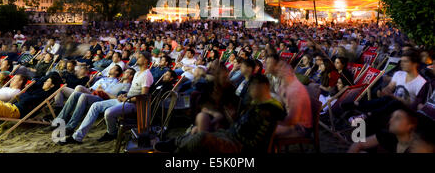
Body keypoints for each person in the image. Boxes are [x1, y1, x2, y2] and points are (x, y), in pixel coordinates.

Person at [154, 74, 285, 154]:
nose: (250, 91)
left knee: (202, 138)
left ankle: (175, 146)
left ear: (261, 88)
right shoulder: (258, 104)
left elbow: (257, 139)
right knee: (196, 132)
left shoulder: (269, 109)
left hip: (240, 145)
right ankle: (175, 145)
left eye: (252, 88)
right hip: (232, 135)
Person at [53, 65, 129, 136]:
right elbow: (92, 87)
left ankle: (70, 126)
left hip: (100, 97)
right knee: (75, 94)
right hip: (92, 92)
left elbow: (111, 95)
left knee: (81, 92)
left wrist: (102, 90)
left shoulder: (115, 82)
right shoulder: (103, 78)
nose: (110, 68)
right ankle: (59, 120)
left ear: (117, 72)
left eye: (113, 68)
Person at [95, 51, 153, 142]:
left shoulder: (146, 75)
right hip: (127, 100)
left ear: (146, 61)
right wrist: (125, 95)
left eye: (140, 57)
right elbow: (133, 90)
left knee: (108, 112)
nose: (137, 58)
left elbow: (143, 96)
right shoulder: (138, 73)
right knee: (97, 105)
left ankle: (112, 133)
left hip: (134, 105)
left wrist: (127, 99)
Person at [0, 73, 62, 137]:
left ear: (52, 85)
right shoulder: (39, 91)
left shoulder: (43, 95)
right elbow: (25, 96)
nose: (44, 82)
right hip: (11, 106)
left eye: (47, 81)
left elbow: (25, 99)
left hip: (15, 111)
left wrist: (27, 94)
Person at [266, 54, 312, 138]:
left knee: (264, 131)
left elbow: (292, 120)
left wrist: (275, 122)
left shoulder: (294, 89)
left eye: (280, 69)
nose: (276, 70)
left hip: (299, 128)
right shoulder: (284, 84)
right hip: (289, 120)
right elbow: (279, 102)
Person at [348, 108, 418, 153]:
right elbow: (359, 144)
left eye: (397, 118)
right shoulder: (388, 135)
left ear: (410, 126)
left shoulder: (417, 148)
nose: (391, 120)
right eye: (392, 117)